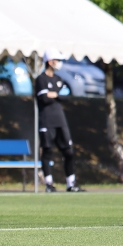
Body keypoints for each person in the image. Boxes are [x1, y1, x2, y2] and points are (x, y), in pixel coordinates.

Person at [36, 49, 84, 192]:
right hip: (46, 121)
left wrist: (54, 94)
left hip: (60, 121)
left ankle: (71, 183)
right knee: (47, 152)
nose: (59, 63)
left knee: (68, 152)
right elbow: (43, 98)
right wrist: (56, 95)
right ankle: (49, 184)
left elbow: (66, 97)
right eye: (57, 60)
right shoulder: (41, 79)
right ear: (50, 62)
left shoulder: (59, 79)